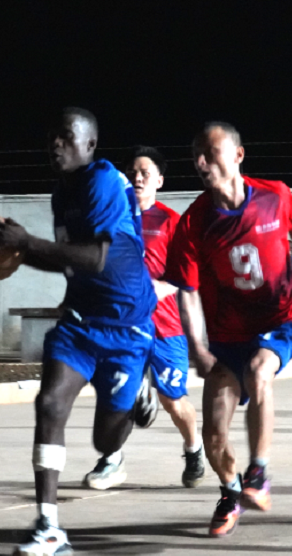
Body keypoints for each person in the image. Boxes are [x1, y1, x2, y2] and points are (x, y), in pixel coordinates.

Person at [0, 108, 157, 556]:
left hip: (127, 324)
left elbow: (97, 258)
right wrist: (15, 252)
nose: (55, 143)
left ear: (89, 145)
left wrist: (27, 243)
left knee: (105, 443)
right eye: (52, 136)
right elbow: (67, 260)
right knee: (50, 404)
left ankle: (134, 394)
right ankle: (49, 527)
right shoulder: (63, 192)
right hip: (79, 319)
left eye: (66, 137)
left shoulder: (103, 181)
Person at [165, 122, 292, 537]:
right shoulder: (194, 222)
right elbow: (187, 291)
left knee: (259, 370)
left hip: (278, 323)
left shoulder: (275, 195)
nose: (202, 162)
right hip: (226, 338)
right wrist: (198, 346)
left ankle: (259, 472)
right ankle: (231, 492)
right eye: (196, 156)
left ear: (238, 155)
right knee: (213, 437)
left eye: (211, 153)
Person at [119, 145, 206, 490]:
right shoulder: (115, 218)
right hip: (125, 326)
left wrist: (160, 288)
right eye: (132, 172)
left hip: (166, 327)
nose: (137, 178)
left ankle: (193, 448)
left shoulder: (172, 221)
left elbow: (187, 275)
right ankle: (110, 459)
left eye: (145, 173)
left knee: (173, 400)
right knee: (116, 395)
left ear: (159, 181)